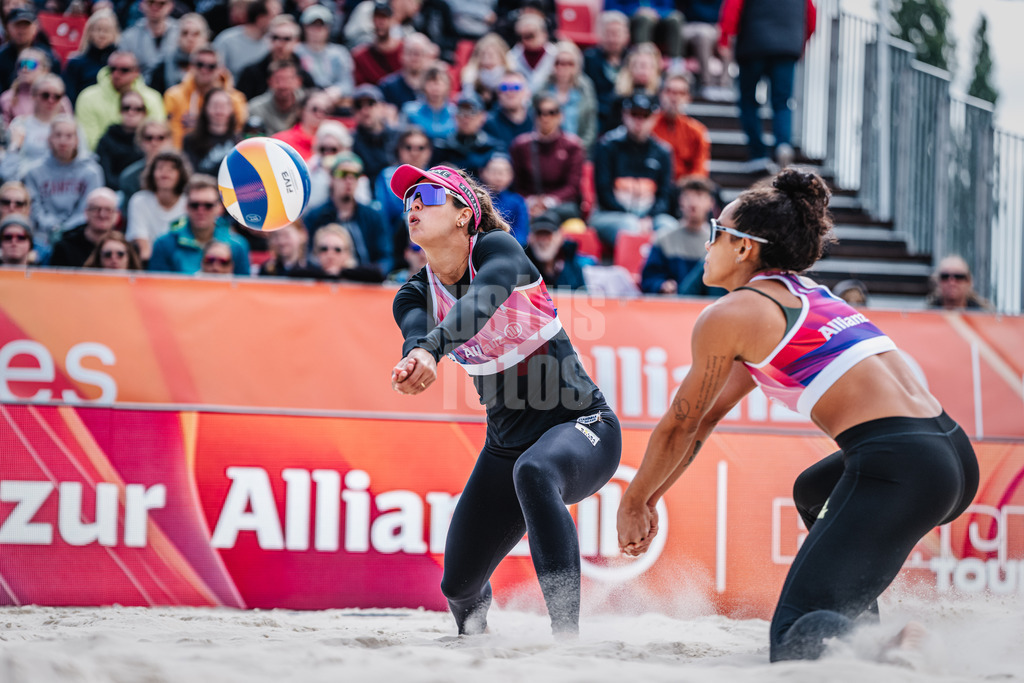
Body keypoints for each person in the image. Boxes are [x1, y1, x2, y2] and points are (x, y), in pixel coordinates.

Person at [616, 169, 979, 662]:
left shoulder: (732, 314)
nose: (708, 244)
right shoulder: (806, 293)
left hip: (902, 462)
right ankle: (864, 634)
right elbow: (705, 419)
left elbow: (680, 423)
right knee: (813, 491)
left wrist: (634, 501)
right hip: (949, 450)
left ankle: (899, 641)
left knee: (791, 636)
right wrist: (652, 497)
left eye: (716, 232)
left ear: (745, 247)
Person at [389, 163, 621, 637]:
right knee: (457, 587)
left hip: (584, 426)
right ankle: (476, 645)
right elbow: (415, 333)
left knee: (535, 471)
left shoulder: (498, 249)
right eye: (408, 198)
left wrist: (434, 348)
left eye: (428, 197)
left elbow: (479, 305)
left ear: (463, 214)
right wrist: (415, 358)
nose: (413, 204)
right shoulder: (414, 293)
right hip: (507, 446)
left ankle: (567, 643)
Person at [719, 0, 816, 169]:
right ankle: (783, 144)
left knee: (748, 100)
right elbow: (812, 16)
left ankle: (758, 153)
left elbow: (732, 7)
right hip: (787, 48)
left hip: (753, 45)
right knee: (783, 102)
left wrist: (725, 38)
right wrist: (802, 43)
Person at [591, 92, 675, 249]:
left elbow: (664, 196)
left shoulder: (663, 152)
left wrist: (649, 217)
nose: (639, 120)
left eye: (645, 115)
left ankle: (663, 273)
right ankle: (631, 272)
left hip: (650, 217)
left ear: (654, 117)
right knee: (630, 226)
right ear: (624, 115)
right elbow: (603, 193)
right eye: (634, 114)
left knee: (669, 226)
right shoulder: (607, 147)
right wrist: (633, 217)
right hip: (610, 215)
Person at [23, 116, 104, 253]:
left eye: (69, 136)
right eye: (58, 135)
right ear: (49, 140)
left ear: (77, 140)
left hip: (79, 234)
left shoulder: (92, 172)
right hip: (41, 235)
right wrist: (52, 226)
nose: (63, 141)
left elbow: (88, 209)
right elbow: (34, 207)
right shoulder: (33, 172)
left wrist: (65, 229)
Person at [304, 153, 393, 274]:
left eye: (355, 175)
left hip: (364, 283)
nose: (349, 180)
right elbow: (306, 255)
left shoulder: (373, 216)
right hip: (323, 280)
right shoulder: (314, 216)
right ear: (331, 178)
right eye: (343, 174)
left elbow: (386, 258)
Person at [148, 174, 250, 275]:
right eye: (194, 205)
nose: (201, 211)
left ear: (220, 208)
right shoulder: (164, 244)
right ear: (186, 206)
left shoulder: (238, 246)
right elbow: (157, 288)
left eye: (208, 205)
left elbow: (245, 288)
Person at [640, 175, 722, 296]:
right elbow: (649, 277)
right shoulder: (664, 238)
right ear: (680, 200)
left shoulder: (718, 242)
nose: (693, 203)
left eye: (699, 196)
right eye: (688, 197)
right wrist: (661, 285)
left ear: (711, 203)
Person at [509, 94, 585, 221]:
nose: (545, 118)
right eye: (540, 113)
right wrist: (531, 201)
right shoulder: (520, 146)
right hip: (528, 203)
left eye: (552, 112)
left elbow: (573, 187)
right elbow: (516, 184)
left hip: (561, 205)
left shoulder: (573, 146)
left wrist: (548, 202)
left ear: (561, 116)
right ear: (534, 116)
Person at [75, 51, 166, 149]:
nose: (116, 74)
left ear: (136, 72)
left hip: (141, 158)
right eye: (112, 69)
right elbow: (89, 140)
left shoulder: (152, 98)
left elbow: (156, 136)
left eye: (124, 70)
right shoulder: (88, 97)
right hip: (101, 158)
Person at [0, 74, 81, 181]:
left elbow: (82, 160)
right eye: (45, 95)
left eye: (57, 96)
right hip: (26, 182)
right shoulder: (20, 124)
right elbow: (7, 171)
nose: (51, 100)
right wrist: (15, 146)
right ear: (33, 96)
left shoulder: (70, 126)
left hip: (61, 184)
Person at [164, 46, 248, 148]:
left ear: (220, 69)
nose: (204, 70)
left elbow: (238, 134)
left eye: (211, 66)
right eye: (200, 64)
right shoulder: (174, 96)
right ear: (191, 66)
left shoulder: (236, 100)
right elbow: (171, 133)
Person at [376, 126, 432, 258]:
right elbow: (385, 216)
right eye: (408, 147)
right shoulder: (387, 177)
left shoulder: (436, 179)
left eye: (421, 148)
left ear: (429, 151)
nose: (414, 152)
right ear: (399, 150)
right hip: (394, 242)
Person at [125, 149, 190, 263]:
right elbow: (142, 244)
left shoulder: (190, 203)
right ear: (152, 173)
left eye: (171, 169)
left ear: (181, 174)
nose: (165, 173)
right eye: (160, 168)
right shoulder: (139, 200)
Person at [236, 15, 315, 100]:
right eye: (275, 37)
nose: (279, 43)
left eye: (286, 38)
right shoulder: (251, 73)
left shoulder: (304, 75)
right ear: (267, 39)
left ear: (297, 42)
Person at [538, 41, 597, 153]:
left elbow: (590, 129)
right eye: (559, 62)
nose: (563, 67)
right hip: (546, 152)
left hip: (577, 152)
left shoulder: (585, 89)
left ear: (577, 65)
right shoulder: (543, 90)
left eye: (569, 63)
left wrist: (576, 151)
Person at [652, 73, 711, 181]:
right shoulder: (649, 125)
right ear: (661, 94)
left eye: (681, 93)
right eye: (670, 92)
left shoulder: (697, 131)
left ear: (688, 97)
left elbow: (700, 171)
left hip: (683, 189)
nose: (675, 98)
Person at [431, 93, 503, 178]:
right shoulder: (441, 147)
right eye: (461, 111)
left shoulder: (492, 148)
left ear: (482, 116)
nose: (466, 118)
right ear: (455, 116)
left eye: (472, 112)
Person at [294, 4, 354, 104]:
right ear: (304, 27)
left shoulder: (339, 52)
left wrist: (337, 90)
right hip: (304, 99)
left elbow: (347, 83)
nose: (316, 31)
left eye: (321, 26)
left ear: (328, 29)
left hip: (333, 100)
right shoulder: (296, 51)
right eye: (312, 26)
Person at [583, 11, 630, 135]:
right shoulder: (589, 58)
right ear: (600, 35)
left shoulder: (632, 59)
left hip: (627, 114)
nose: (612, 38)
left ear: (626, 35)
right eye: (608, 33)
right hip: (597, 114)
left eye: (617, 33)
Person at [48, 187, 121, 268]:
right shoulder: (65, 247)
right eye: (96, 209)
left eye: (108, 210)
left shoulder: (125, 248)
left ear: (117, 215)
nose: (102, 214)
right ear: (86, 212)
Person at [289, 223, 386, 282]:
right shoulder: (309, 274)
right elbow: (293, 273)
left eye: (337, 250)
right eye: (324, 249)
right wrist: (328, 275)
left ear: (347, 254)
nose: (330, 255)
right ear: (316, 252)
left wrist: (340, 273)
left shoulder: (358, 276)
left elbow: (377, 274)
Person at [62, 8, 121, 104]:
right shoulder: (75, 63)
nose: (102, 35)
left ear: (114, 34)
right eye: (98, 30)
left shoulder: (120, 65)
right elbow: (69, 97)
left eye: (107, 30)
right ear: (89, 32)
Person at [95, 90, 148, 191]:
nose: (131, 112)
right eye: (126, 108)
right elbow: (105, 176)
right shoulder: (107, 139)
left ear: (144, 113)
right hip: (116, 191)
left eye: (137, 109)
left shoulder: (151, 138)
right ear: (120, 111)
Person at [524, 211, 591, 291]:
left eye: (548, 234)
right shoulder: (522, 265)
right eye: (539, 234)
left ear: (560, 237)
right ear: (530, 238)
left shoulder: (572, 263)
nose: (543, 240)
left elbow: (582, 295)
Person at [0, 8, 61, 93]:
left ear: (35, 27)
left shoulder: (49, 56)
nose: (21, 31)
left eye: (26, 25)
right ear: (7, 27)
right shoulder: (2, 57)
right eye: (17, 25)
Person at [148, 12, 211, 94]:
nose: (190, 38)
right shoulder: (163, 67)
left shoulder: (214, 66)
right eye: (185, 33)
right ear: (177, 38)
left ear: (205, 38)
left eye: (196, 34)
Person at [350, 84, 399, 187]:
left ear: (382, 107)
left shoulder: (399, 136)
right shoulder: (350, 141)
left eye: (370, 103)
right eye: (359, 106)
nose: (365, 110)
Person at [212, 0, 278, 78]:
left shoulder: (273, 43)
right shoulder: (227, 40)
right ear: (260, 18)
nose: (277, 21)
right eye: (273, 17)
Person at [119, 0, 181, 81]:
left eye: (161, 4)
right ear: (141, 4)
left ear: (171, 6)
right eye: (150, 3)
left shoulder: (182, 32)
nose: (155, 8)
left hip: (175, 86)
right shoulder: (128, 36)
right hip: (139, 87)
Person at [183, 89, 240, 176]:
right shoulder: (191, 140)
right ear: (205, 108)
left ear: (231, 109)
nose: (219, 111)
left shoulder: (239, 142)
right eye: (215, 106)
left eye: (223, 106)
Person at [479, 153, 528, 247]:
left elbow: (521, 233)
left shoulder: (517, 201)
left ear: (512, 175)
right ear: (482, 172)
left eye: (504, 172)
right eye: (494, 172)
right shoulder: (476, 199)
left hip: (509, 248)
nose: (499, 177)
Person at [118, 120, 174, 202]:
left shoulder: (181, 173)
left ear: (169, 140)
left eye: (161, 138)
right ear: (140, 141)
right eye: (149, 138)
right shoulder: (129, 177)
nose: (154, 142)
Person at [378, 32, 437, 110]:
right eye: (410, 52)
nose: (415, 58)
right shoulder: (388, 86)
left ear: (428, 57)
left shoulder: (436, 87)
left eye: (419, 53)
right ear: (401, 55)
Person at [399, 63, 456, 143]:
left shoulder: (456, 113)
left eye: (439, 83)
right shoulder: (410, 111)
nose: (435, 88)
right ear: (423, 85)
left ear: (448, 85)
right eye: (431, 82)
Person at [1, 47, 57, 126]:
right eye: (21, 64)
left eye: (31, 64)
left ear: (45, 70)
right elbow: (4, 134)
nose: (25, 68)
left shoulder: (56, 97)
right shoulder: (7, 99)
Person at [460, 33, 516, 112]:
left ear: (501, 55)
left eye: (491, 55)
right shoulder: (471, 78)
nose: (487, 59)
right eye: (483, 54)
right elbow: (467, 102)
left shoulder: (511, 77)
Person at [351, 2, 403, 86]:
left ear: (392, 20)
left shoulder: (404, 50)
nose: (380, 22)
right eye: (377, 18)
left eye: (384, 17)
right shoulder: (361, 56)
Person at [272, 89, 333, 160]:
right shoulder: (282, 140)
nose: (320, 114)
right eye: (315, 109)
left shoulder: (332, 143)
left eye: (325, 111)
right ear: (302, 110)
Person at [247, 60, 304, 136]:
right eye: (278, 80)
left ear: (298, 81)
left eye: (288, 80)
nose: (283, 85)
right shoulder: (256, 108)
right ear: (269, 82)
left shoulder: (309, 106)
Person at [482, 70, 534, 150]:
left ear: (527, 93)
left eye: (516, 87)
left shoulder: (536, 121)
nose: (510, 92)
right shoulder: (488, 123)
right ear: (498, 93)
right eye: (504, 87)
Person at [508, 13, 556, 93]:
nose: (526, 40)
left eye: (530, 35)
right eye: (522, 36)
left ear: (544, 34)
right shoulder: (512, 56)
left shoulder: (556, 54)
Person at [925, 256, 992, 311]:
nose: (951, 282)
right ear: (938, 282)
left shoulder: (983, 317)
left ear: (969, 282)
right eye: (945, 277)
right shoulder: (926, 316)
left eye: (958, 277)